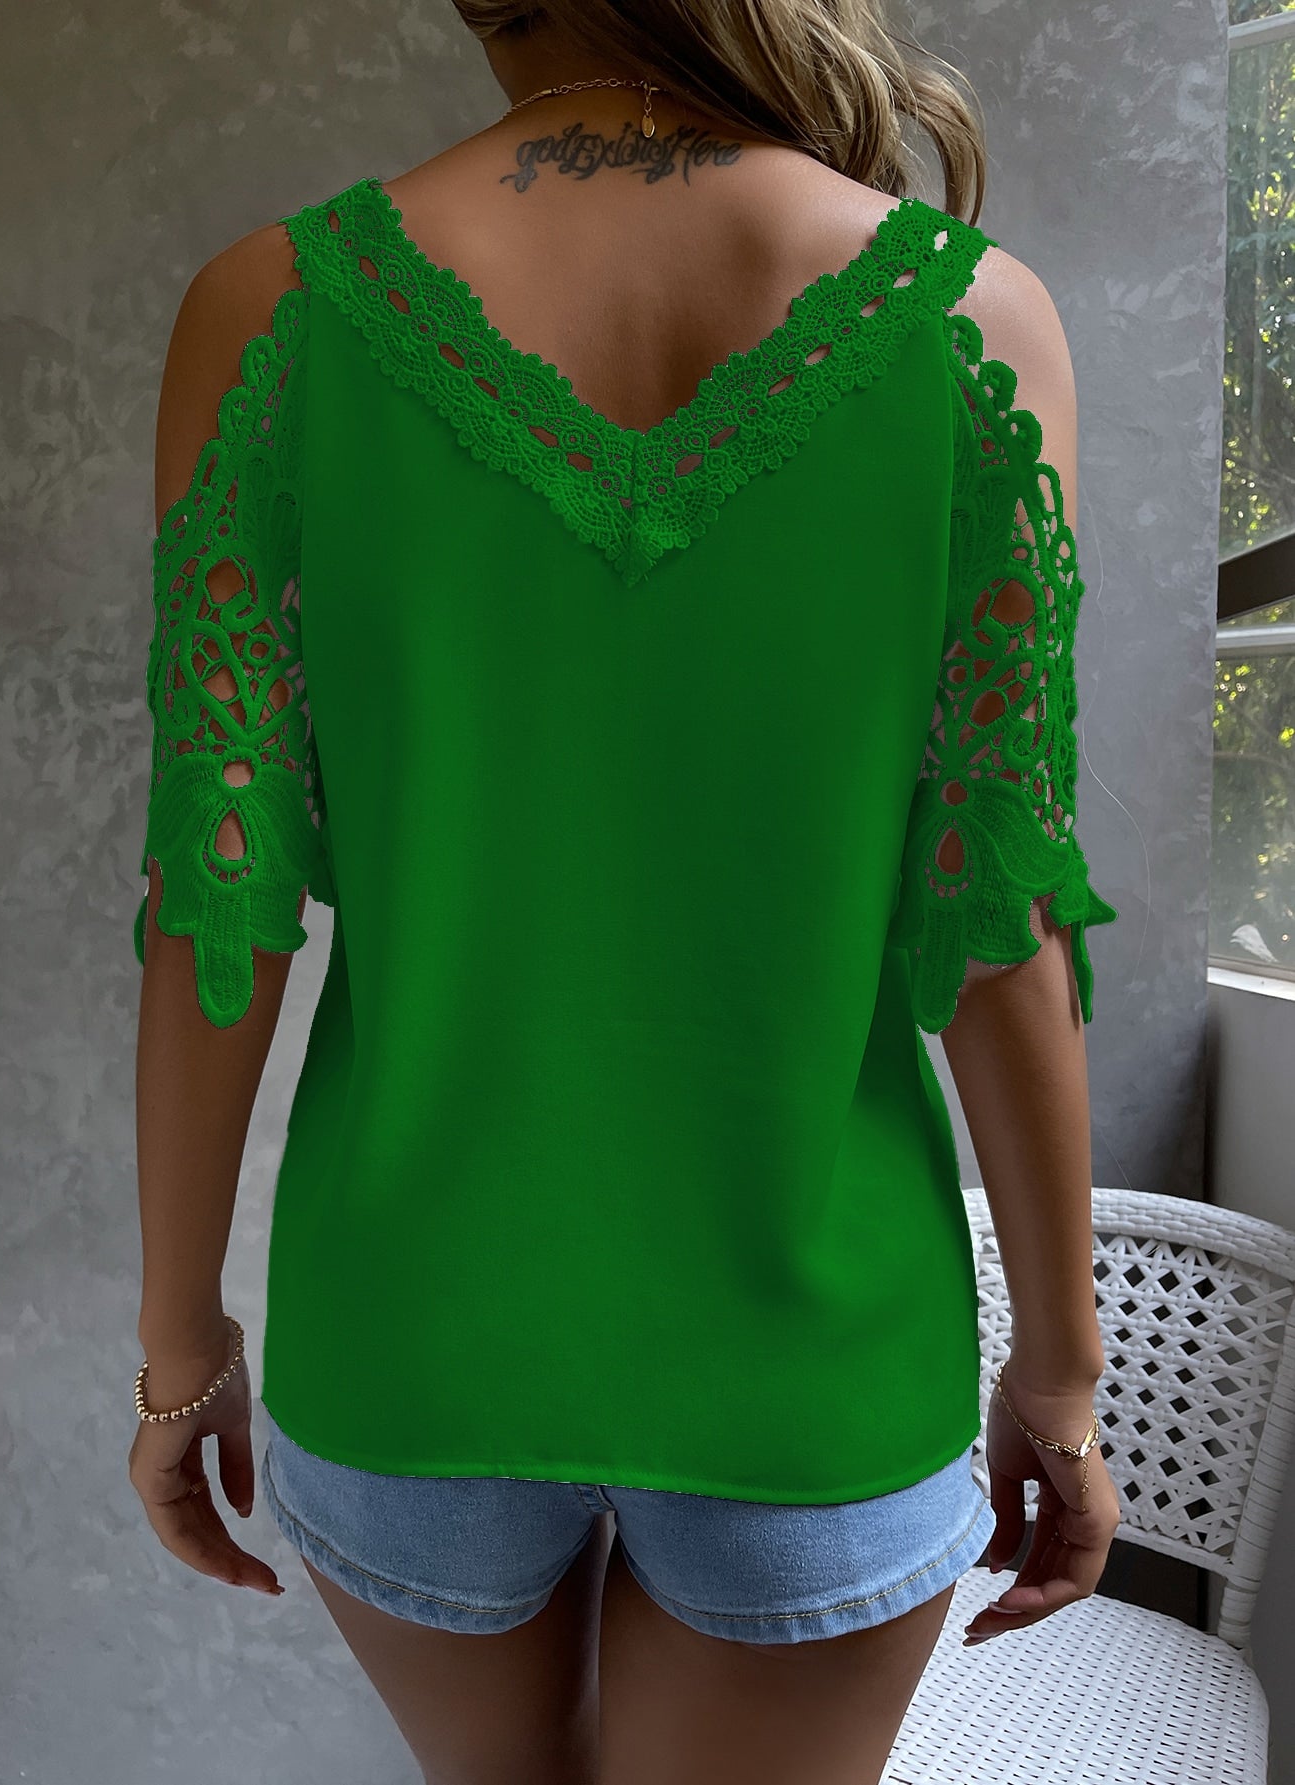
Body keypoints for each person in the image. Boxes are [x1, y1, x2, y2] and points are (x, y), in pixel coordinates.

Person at [127, 3, 1122, 1781]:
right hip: (815, 1364)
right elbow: (1001, 929)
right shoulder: (974, 321)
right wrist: (1060, 1366)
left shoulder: (270, 310)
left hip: (411, 1338)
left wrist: (178, 1343)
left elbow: (219, 907)